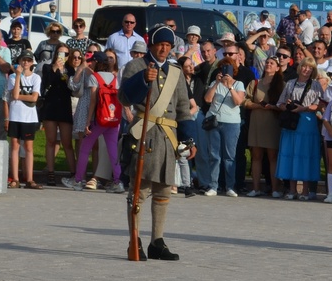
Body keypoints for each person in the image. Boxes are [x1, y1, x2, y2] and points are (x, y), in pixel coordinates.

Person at [120, 26, 195, 261]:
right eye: (160, 44)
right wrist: (143, 79)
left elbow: (183, 107)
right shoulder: (137, 66)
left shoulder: (175, 71)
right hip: (145, 133)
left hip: (167, 137)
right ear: (151, 44)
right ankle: (135, 239)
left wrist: (189, 139)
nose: (164, 49)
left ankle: (157, 241)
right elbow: (124, 97)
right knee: (139, 191)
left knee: (164, 190)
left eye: (168, 45)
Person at [66, 51, 124, 193]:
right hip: (112, 120)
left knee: (85, 149)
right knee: (113, 151)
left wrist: (87, 122)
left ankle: (78, 180)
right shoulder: (115, 78)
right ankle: (117, 181)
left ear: (97, 63)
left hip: (98, 120)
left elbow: (93, 100)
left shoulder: (94, 77)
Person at [275, 56, 323, 200]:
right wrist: (288, 107)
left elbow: (320, 105)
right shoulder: (290, 83)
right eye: (304, 66)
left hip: (307, 122)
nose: (306, 69)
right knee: (291, 153)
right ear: (299, 67)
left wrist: (304, 108)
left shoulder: (315, 85)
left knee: (305, 154)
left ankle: (306, 190)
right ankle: (292, 189)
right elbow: (280, 103)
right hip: (292, 122)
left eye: (310, 68)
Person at [200, 55, 246, 196]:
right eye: (222, 68)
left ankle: (230, 187)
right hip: (214, 122)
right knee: (214, 155)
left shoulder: (239, 84)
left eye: (228, 68)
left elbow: (238, 101)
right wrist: (216, 84)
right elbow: (207, 99)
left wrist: (230, 86)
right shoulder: (216, 82)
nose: (225, 71)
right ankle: (213, 186)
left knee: (229, 156)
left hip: (231, 123)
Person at [244, 55, 283, 197]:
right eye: (267, 62)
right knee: (256, 155)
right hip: (256, 121)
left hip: (272, 122)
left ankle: (275, 189)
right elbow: (245, 101)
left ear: (278, 68)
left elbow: (283, 105)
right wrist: (257, 105)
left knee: (273, 156)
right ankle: (255, 188)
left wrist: (272, 106)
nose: (268, 65)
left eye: (272, 63)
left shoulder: (280, 84)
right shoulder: (255, 83)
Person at [38, 43, 76, 185]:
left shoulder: (70, 69)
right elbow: (46, 83)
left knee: (67, 142)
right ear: (55, 54)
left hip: (64, 107)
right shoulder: (48, 67)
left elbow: (71, 89)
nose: (63, 57)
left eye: (66, 54)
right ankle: (51, 173)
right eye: (60, 54)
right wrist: (55, 68)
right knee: (51, 141)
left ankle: (74, 173)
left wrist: (65, 74)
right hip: (50, 106)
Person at [6, 51, 42, 188]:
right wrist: (19, 75)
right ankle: (15, 178)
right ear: (20, 61)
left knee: (28, 146)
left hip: (29, 116)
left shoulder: (36, 78)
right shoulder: (13, 77)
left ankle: (30, 178)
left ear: (32, 62)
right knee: (14, 145)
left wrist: (20, 96)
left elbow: (34, 98)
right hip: (15, 115)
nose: (25, 63)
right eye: (23, 60)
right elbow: (14, 94)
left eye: (28, 60)